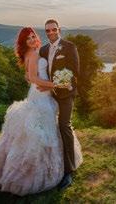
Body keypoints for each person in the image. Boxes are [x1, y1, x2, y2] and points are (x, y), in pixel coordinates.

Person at [0, 27, 82, 196]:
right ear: (23, 42)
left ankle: (53, 166)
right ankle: (37, 171)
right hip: (41, 96)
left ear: (36, 37)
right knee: (42, 130)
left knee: (46, 129)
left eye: (32, 36)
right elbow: (34, 78)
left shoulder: (36, 51)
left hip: (40, 92)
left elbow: (28, 77)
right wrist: (55, 85)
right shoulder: (35, 53)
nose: (31, 39)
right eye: (27, 38)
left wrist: (44, 84)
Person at [37, 18, 80, 190]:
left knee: (64, 126)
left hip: (65, 94)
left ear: (59, 29)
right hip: (47, 95)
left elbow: (74, 72)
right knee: (46, 127)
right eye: (47, 31)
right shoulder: (43, 49)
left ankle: (68, 171)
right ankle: (48, 164)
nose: (51, 33)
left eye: (53, 29)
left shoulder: (69, 47)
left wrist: (58, 84)